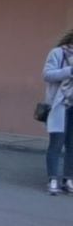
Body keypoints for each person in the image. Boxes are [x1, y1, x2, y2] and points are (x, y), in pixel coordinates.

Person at [43, 29, 73, 195]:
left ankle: (68, 179)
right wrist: (70, 71)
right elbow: (47, 75)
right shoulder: (58, 53)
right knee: (56, 144)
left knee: (72, 146)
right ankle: (53, 179)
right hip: (60, 105)